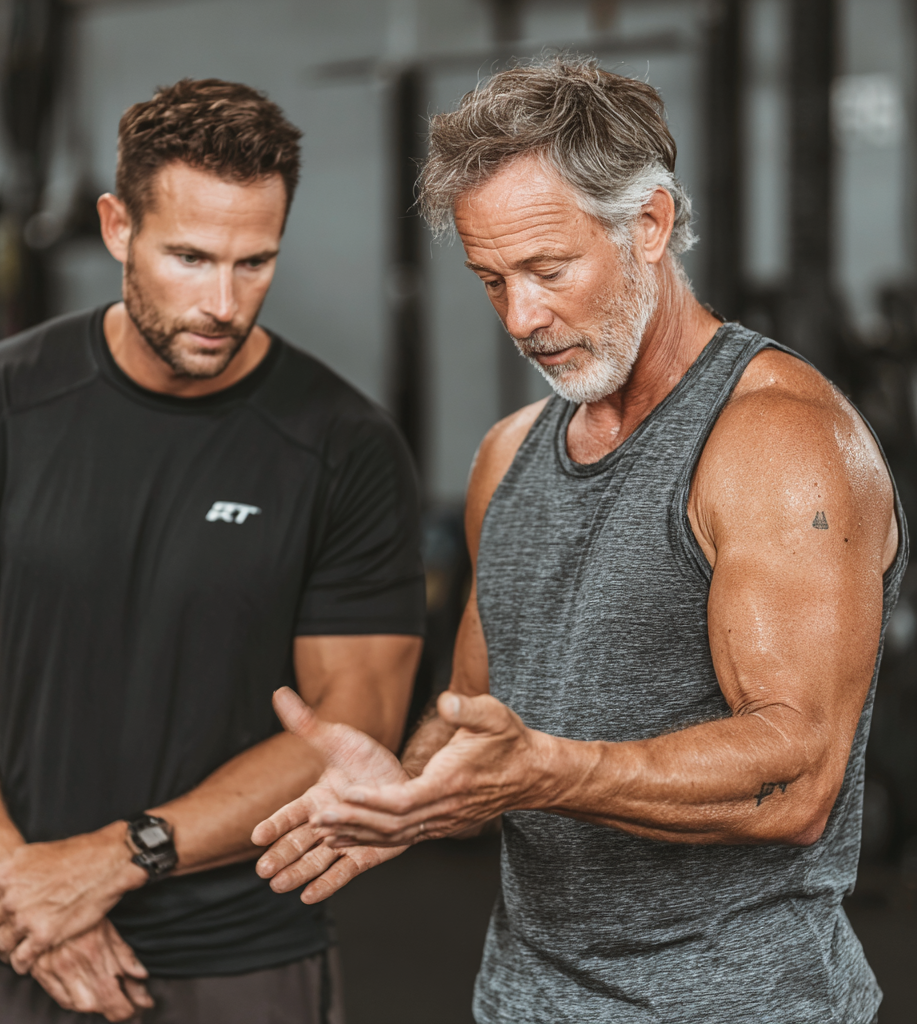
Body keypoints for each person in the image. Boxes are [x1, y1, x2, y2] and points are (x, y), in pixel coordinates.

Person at [252, 57, 906, 1024]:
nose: (522, 317)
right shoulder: (508, 456)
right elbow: (481, 712)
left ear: (648, 224)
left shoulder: (776, 443)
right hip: (525, 997)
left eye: (549, 271)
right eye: (491, 280)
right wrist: (412, 786)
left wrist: (554, 771)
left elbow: (796, 776)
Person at [0, 78, 425, 1024]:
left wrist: (113, 859)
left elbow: (355, 724)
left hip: (239, 955)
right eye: (189, 257)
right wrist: (30, 889)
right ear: (116, 227)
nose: (223, 302)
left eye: (254, 263)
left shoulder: (344, 444)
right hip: (15, 932)